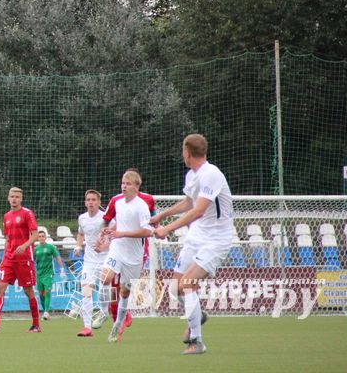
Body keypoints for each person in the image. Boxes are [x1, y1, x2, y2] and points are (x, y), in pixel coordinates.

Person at [152, 134, 234, 355]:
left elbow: (197, 210)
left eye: (182, 151)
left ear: (187, 152)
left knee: (187, 284)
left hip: (216, 239)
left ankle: (197, 341)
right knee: (174, 287)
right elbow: (189, 202)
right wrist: (163, 215)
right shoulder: (192, 175)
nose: (182, 154)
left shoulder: (211, 174)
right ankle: (197, 314)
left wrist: (167, 229)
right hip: (196, 236)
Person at [97, 170, 153, 343]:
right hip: (117, 248)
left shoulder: (142, 206)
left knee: (125, 291)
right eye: (123, 183)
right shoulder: (117, 202)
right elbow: (108, 221)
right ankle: (103, 312)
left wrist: (123, 233)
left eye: (128, 184)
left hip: (134, 255)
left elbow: (147, 231)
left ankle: (117, 325)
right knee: (105, 277)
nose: (124, 186)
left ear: (137, 187)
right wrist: (105, 233)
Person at [0, 187, 41, 334]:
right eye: (12, 196)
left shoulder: (27, 214)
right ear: (8, 198)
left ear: (21, 199)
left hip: (24, 258)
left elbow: (35, 235)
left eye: (17, 197)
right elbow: (8, 238)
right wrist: (4, 256)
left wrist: (25, 246)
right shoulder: (6, 216)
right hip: (9, 258)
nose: (14, 199)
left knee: (28, 292)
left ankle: (36, 325)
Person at [73, 189, 107, 337]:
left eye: (94, 200)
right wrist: (79, 246)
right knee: (86, 291)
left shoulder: (106, 218)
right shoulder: (82, 218)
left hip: (107, 259)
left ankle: (112, 314)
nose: (91, 202)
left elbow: (115, 236)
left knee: (107, 293)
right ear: (85, 202)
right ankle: (87, 327)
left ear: (99, 202)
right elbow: (81, 234)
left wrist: (104, 247)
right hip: (89, 261)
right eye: (88, 200)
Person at [33, 229, 66, 320]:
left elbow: (57, 257)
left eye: (43, 236)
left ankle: (46, 312)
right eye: (39, 236)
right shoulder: (35, 249)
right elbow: (33, 261)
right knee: (41, 294)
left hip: (49, 273)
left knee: (47, 291)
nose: (41, 238)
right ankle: (45, 312)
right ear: (37, 238)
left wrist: (62, 269)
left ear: (45, 237)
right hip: (39, 274)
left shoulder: (51, 247)